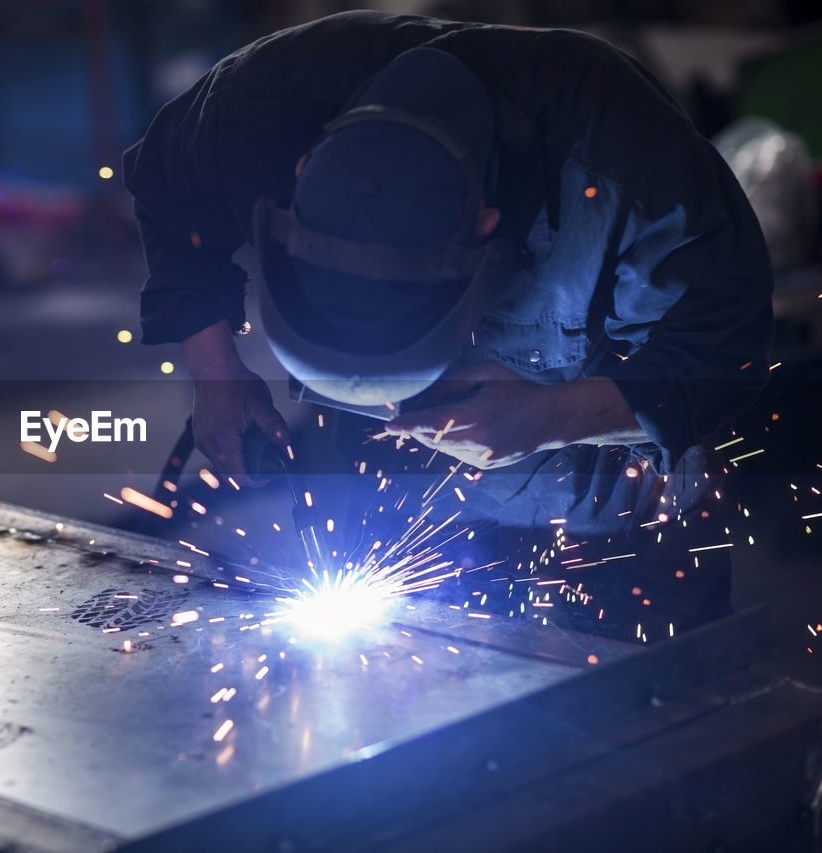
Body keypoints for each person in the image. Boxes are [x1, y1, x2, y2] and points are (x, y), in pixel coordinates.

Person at [121, 12, 773, 639]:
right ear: (298, 178)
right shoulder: (264, 107)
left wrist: (551, 416)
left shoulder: (624, 157)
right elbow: (167, 186)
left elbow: (724, 351)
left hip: (609, 501)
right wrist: (217, 373)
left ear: (484, 230)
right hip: (401, 494)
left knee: (638, 717)